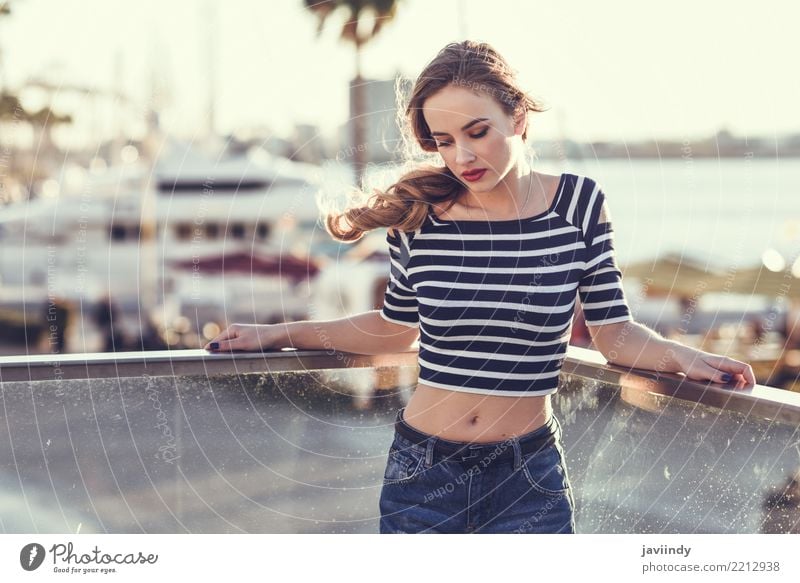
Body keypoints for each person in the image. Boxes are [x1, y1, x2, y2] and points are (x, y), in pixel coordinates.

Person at [203, 40, 756, 533]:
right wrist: (280, 334)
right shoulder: (419, 217)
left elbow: (615, 335)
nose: (461, 156)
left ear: (517, 117)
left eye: (476, 132)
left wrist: (688, 359)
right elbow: (396, 330)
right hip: (422, 471)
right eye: (443, 141)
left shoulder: (579, 204)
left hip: (527, 478)